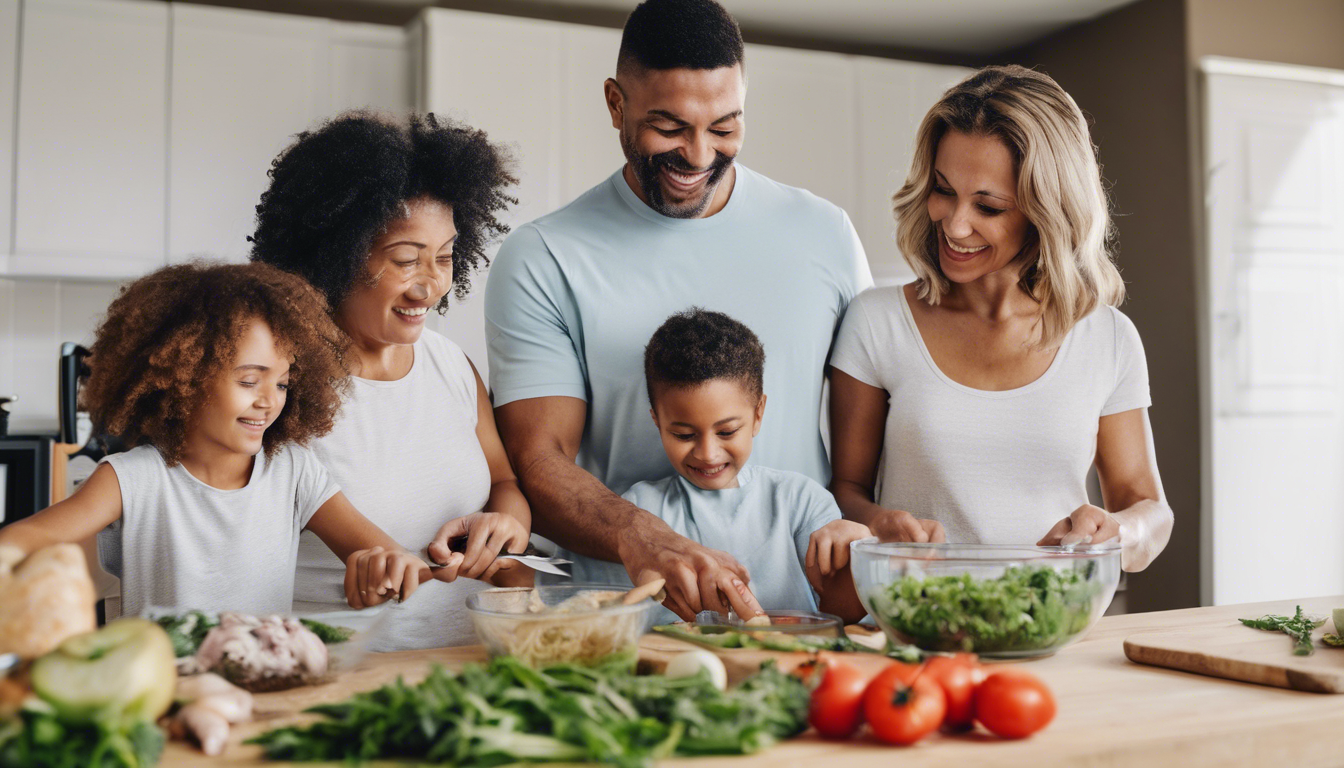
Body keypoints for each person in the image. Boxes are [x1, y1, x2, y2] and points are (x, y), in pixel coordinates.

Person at [485, 0, 872, 619]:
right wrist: (649, 538)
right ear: (616, 104)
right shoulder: (543, 257)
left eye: (724, 127)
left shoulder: (825, 234)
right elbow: (539, 461)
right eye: (669, 128)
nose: (698, 157)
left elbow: (867, 451)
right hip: (637, 622)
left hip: (803, 626)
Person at [828, 65, 1173, 572]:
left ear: (1046, 212)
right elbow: (844, 490)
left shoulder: (1108, 338)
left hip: (1057, 624)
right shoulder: (877, 324)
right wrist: (878, 524)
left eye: (987, 206)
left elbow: (1150, 508)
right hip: (919, 621)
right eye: (944, 189)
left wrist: (1119, 530)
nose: (955, 223)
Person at [0, 262, 441, 617]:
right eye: (250, 381)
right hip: (162, 696)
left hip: (262, 691)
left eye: (284, 384)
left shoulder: (293, 471)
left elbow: (384, 553)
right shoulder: (133, 479)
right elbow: (25, 540)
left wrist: (388, 569)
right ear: (183, 379)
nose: (270, 401)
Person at [250, 111, 530, 648]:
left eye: (445, 258)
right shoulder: (279, 381)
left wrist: (506, 526)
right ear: (336, 253)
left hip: (461, 663)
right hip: (334, 672)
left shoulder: (451, 365)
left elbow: (505, 483)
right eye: (406, 260)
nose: (430, 286)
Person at [568, 309, 869, 623]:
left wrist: (860, 555)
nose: (708, 454)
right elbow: (617, 615)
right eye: (684, 434)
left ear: (757, 414)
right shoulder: (639, 510)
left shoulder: (801, 501)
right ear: (656, 420)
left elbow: (842, 614)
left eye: (726, 432)